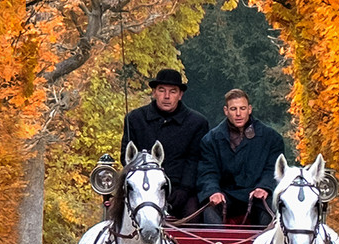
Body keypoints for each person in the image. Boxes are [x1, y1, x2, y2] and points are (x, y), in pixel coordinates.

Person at [120, 68, 208, 220]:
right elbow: (127, 158)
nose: (167, 96)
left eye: (173, 91)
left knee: (194, 217)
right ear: (154, 92)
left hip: (181, 191)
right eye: (162, 90)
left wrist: (184, 190)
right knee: (121, 215)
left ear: (180, 95)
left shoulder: (197, 123)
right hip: (142, 190)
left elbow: (195, 160)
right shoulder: (134, 119)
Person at [197, 89, 288, 226]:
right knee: (210, 209)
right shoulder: (210, 140)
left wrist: (264, 187)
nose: (238, 114)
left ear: (249, 109)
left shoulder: (271, 138)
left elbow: (272, 169)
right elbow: (208, 171)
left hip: (258, 195)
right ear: (226, 111)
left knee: (270, 208)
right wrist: (213, 191)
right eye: (233, 109)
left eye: (242, 108)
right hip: (226, 194)